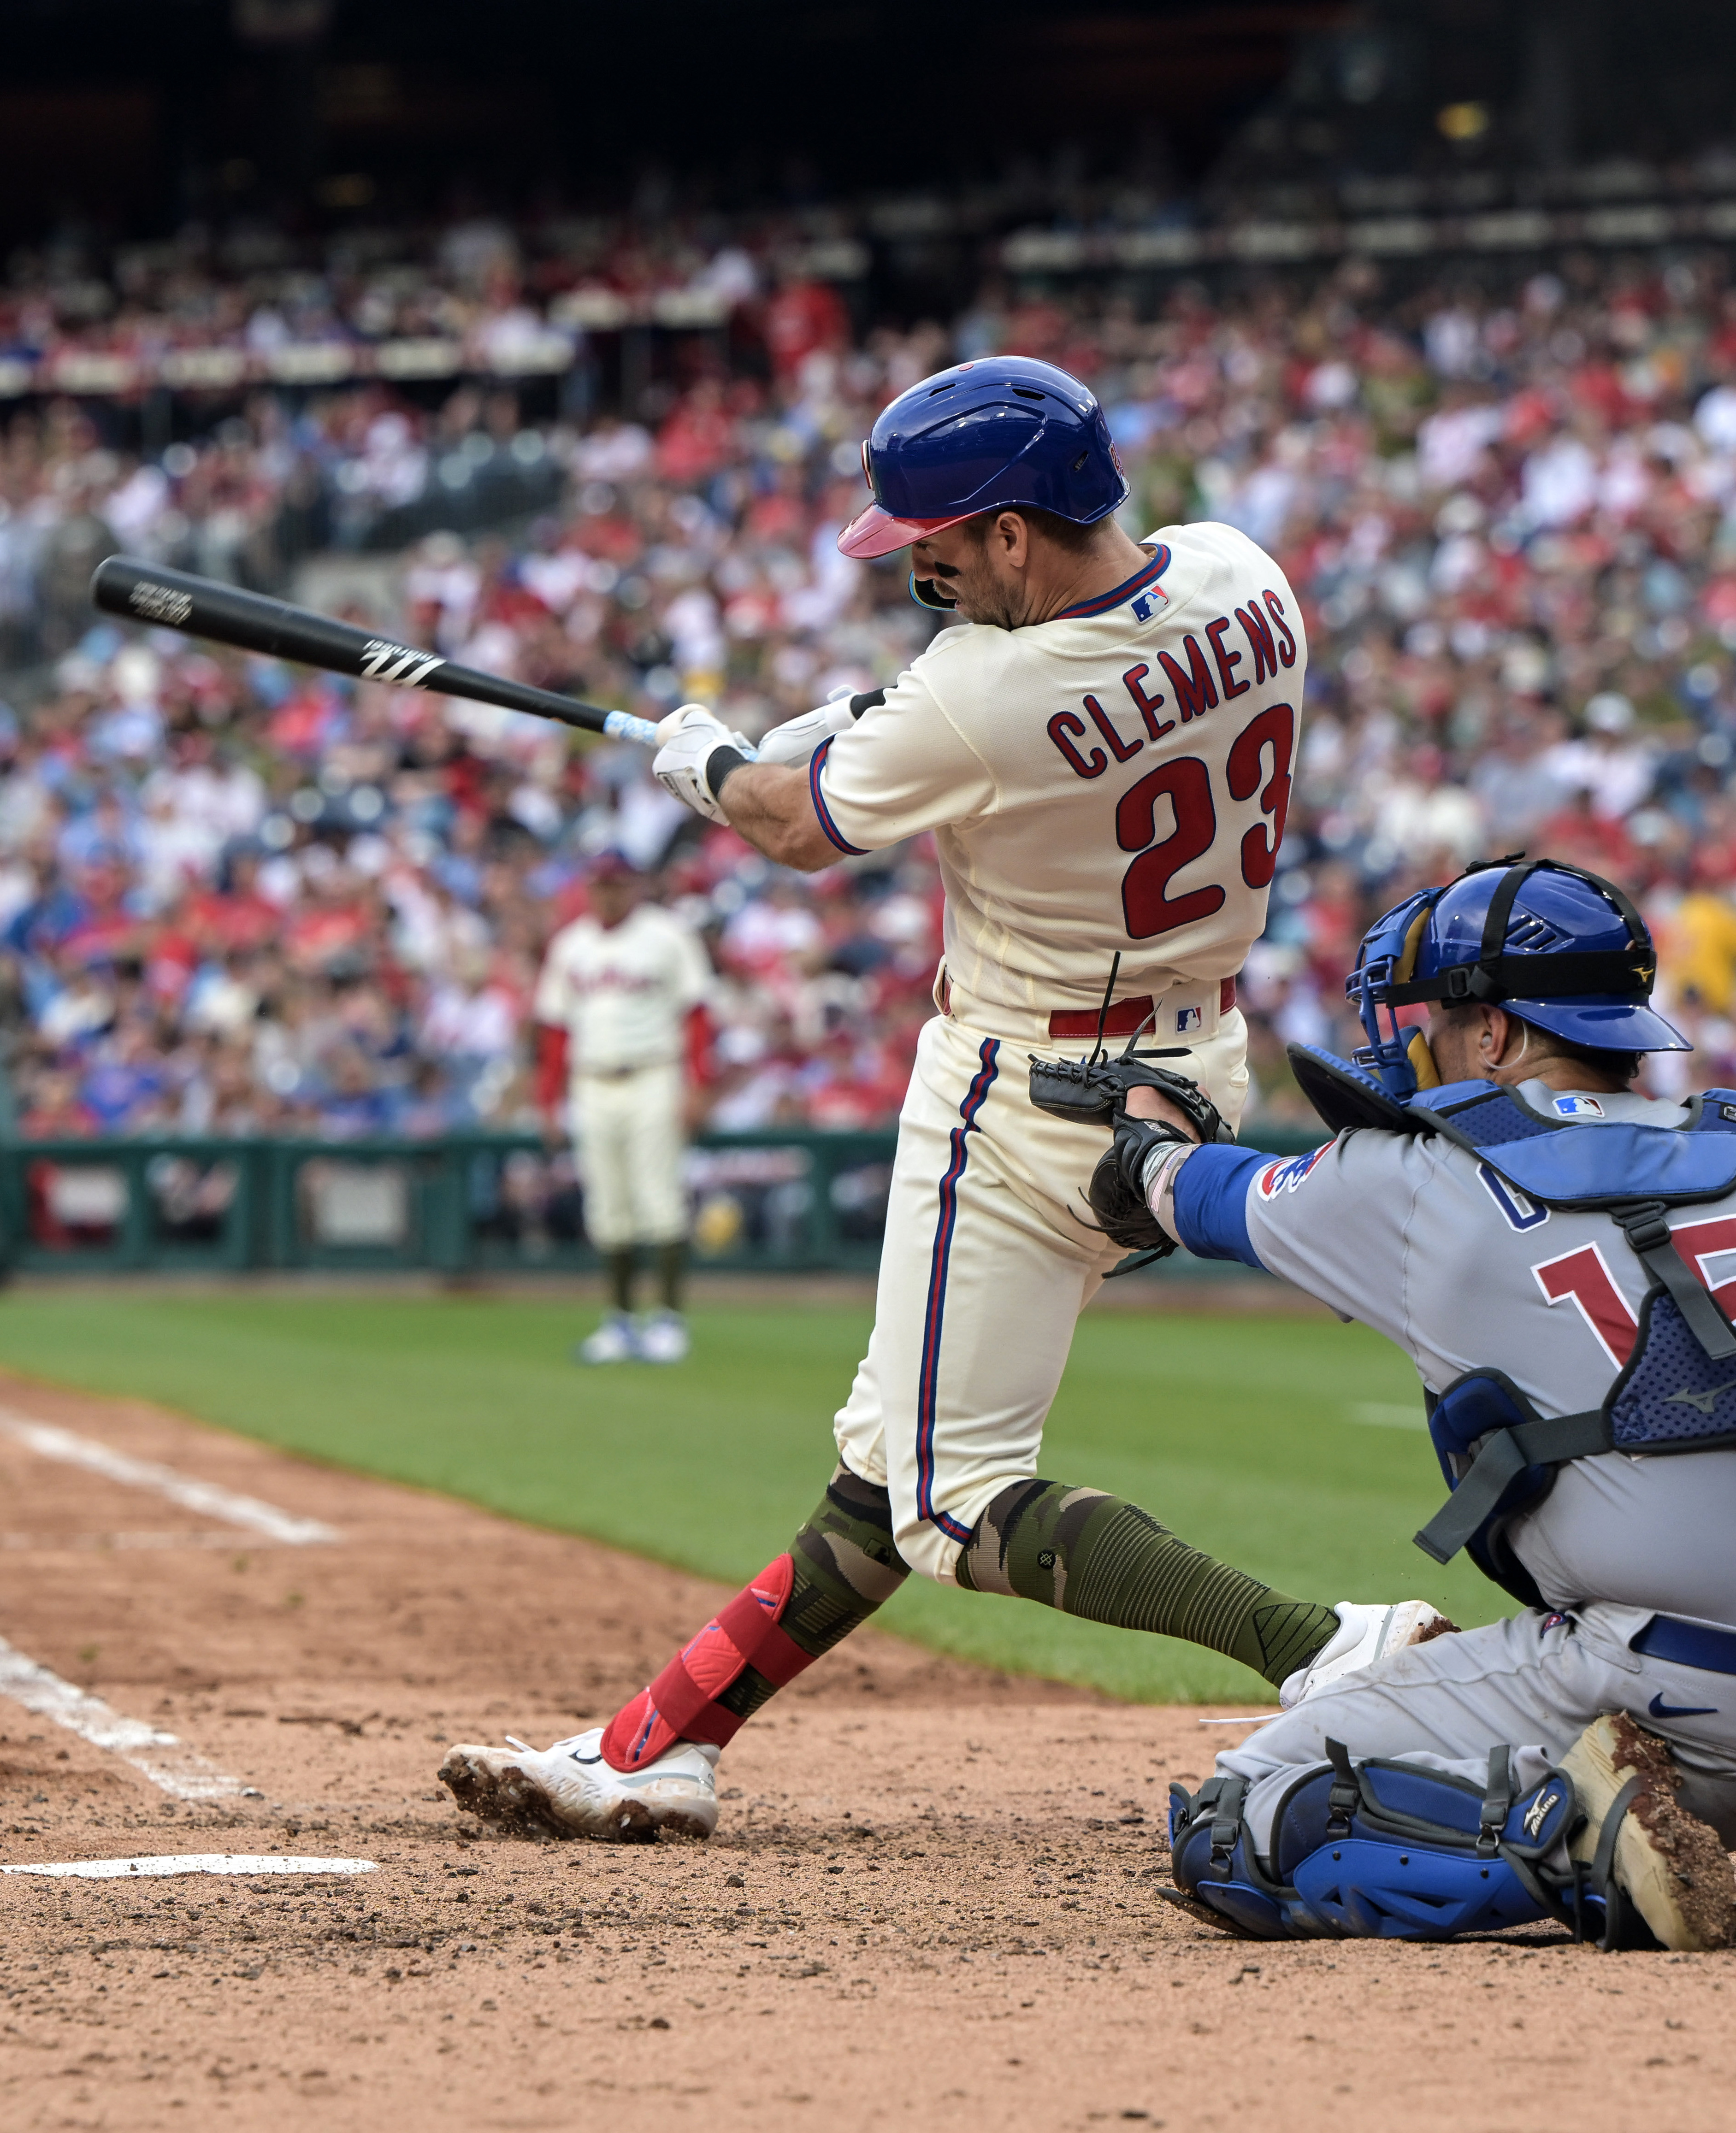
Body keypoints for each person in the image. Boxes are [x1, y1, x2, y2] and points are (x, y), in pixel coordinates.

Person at [441, 354, 1442, 1841]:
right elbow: (1013, 687)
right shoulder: (1245, 574)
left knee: (950, 1496)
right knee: (897, 1451)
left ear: (1016, 533)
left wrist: (708, 760)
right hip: (1188, 1064)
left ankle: (1321, 1643)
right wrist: (861, 705)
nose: (925, 574)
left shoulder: (978, 691)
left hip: (1024, 1089)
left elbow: (795, 825)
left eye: (938, 554)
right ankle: (660, 1738)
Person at [1086, 858, 1736, 1946]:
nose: (1420, 1039)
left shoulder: (1404, 1180)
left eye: (1439, 1016)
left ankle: (1580, 1847)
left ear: (1492, 1037)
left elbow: (1191, 1193)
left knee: (1234, 1817)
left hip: (1684, 1706)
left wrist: (1143, 1131)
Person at [531, 854, 714, 1364]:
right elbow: (554, 1028)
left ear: (633, 886)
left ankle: (668, 1320)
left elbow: (696, 1013)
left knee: (659, 1200)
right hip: (591, 1079)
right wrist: (547, 1098)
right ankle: (619, 1321)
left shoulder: (667, 934)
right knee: (608, 1208)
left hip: (654, 1073)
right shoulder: (572, 945)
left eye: (616, 884)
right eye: (599, 885)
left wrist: (697, 1084)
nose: (608, 893)